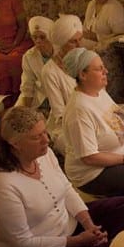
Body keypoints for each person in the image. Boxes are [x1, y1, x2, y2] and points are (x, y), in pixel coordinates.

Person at [0, 106, 124, 247]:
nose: (46, 140)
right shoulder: (1, 184)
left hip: (68, 226)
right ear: (15, 144)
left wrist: (90, 226)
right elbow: (22, 242)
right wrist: (77, 241)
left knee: (123, 207)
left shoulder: (45, 155)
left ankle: (102, 246)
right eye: (36, 137)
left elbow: (66, 190)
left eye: (45, 132)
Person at [63, 47, 124, 196]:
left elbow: (118, 118)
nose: (106, 71)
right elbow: (89, 157)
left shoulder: (99, 91)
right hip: (95, 173)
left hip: (123, 155)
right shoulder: (79, 110)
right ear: (83, 75)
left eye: (104, 67)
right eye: (99, 69)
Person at [41, 14, 86, 153]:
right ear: (61, 43)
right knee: (81, 147)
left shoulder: (85, 58)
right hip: (67, 125)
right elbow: (60, 113)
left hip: (94, 113)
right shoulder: (49, 71)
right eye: (73, 42)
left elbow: (102, 95)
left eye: (80, 39)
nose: (79, 45)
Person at [16, 15, 55, 110]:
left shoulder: (62, 52)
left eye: (42, 37)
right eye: (34, 37)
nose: (38, 41)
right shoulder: (29, 56)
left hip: (62, 96)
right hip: (40, 97)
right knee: (16, 114)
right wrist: (26, 112)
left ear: (51, 36)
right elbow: (27, 85)